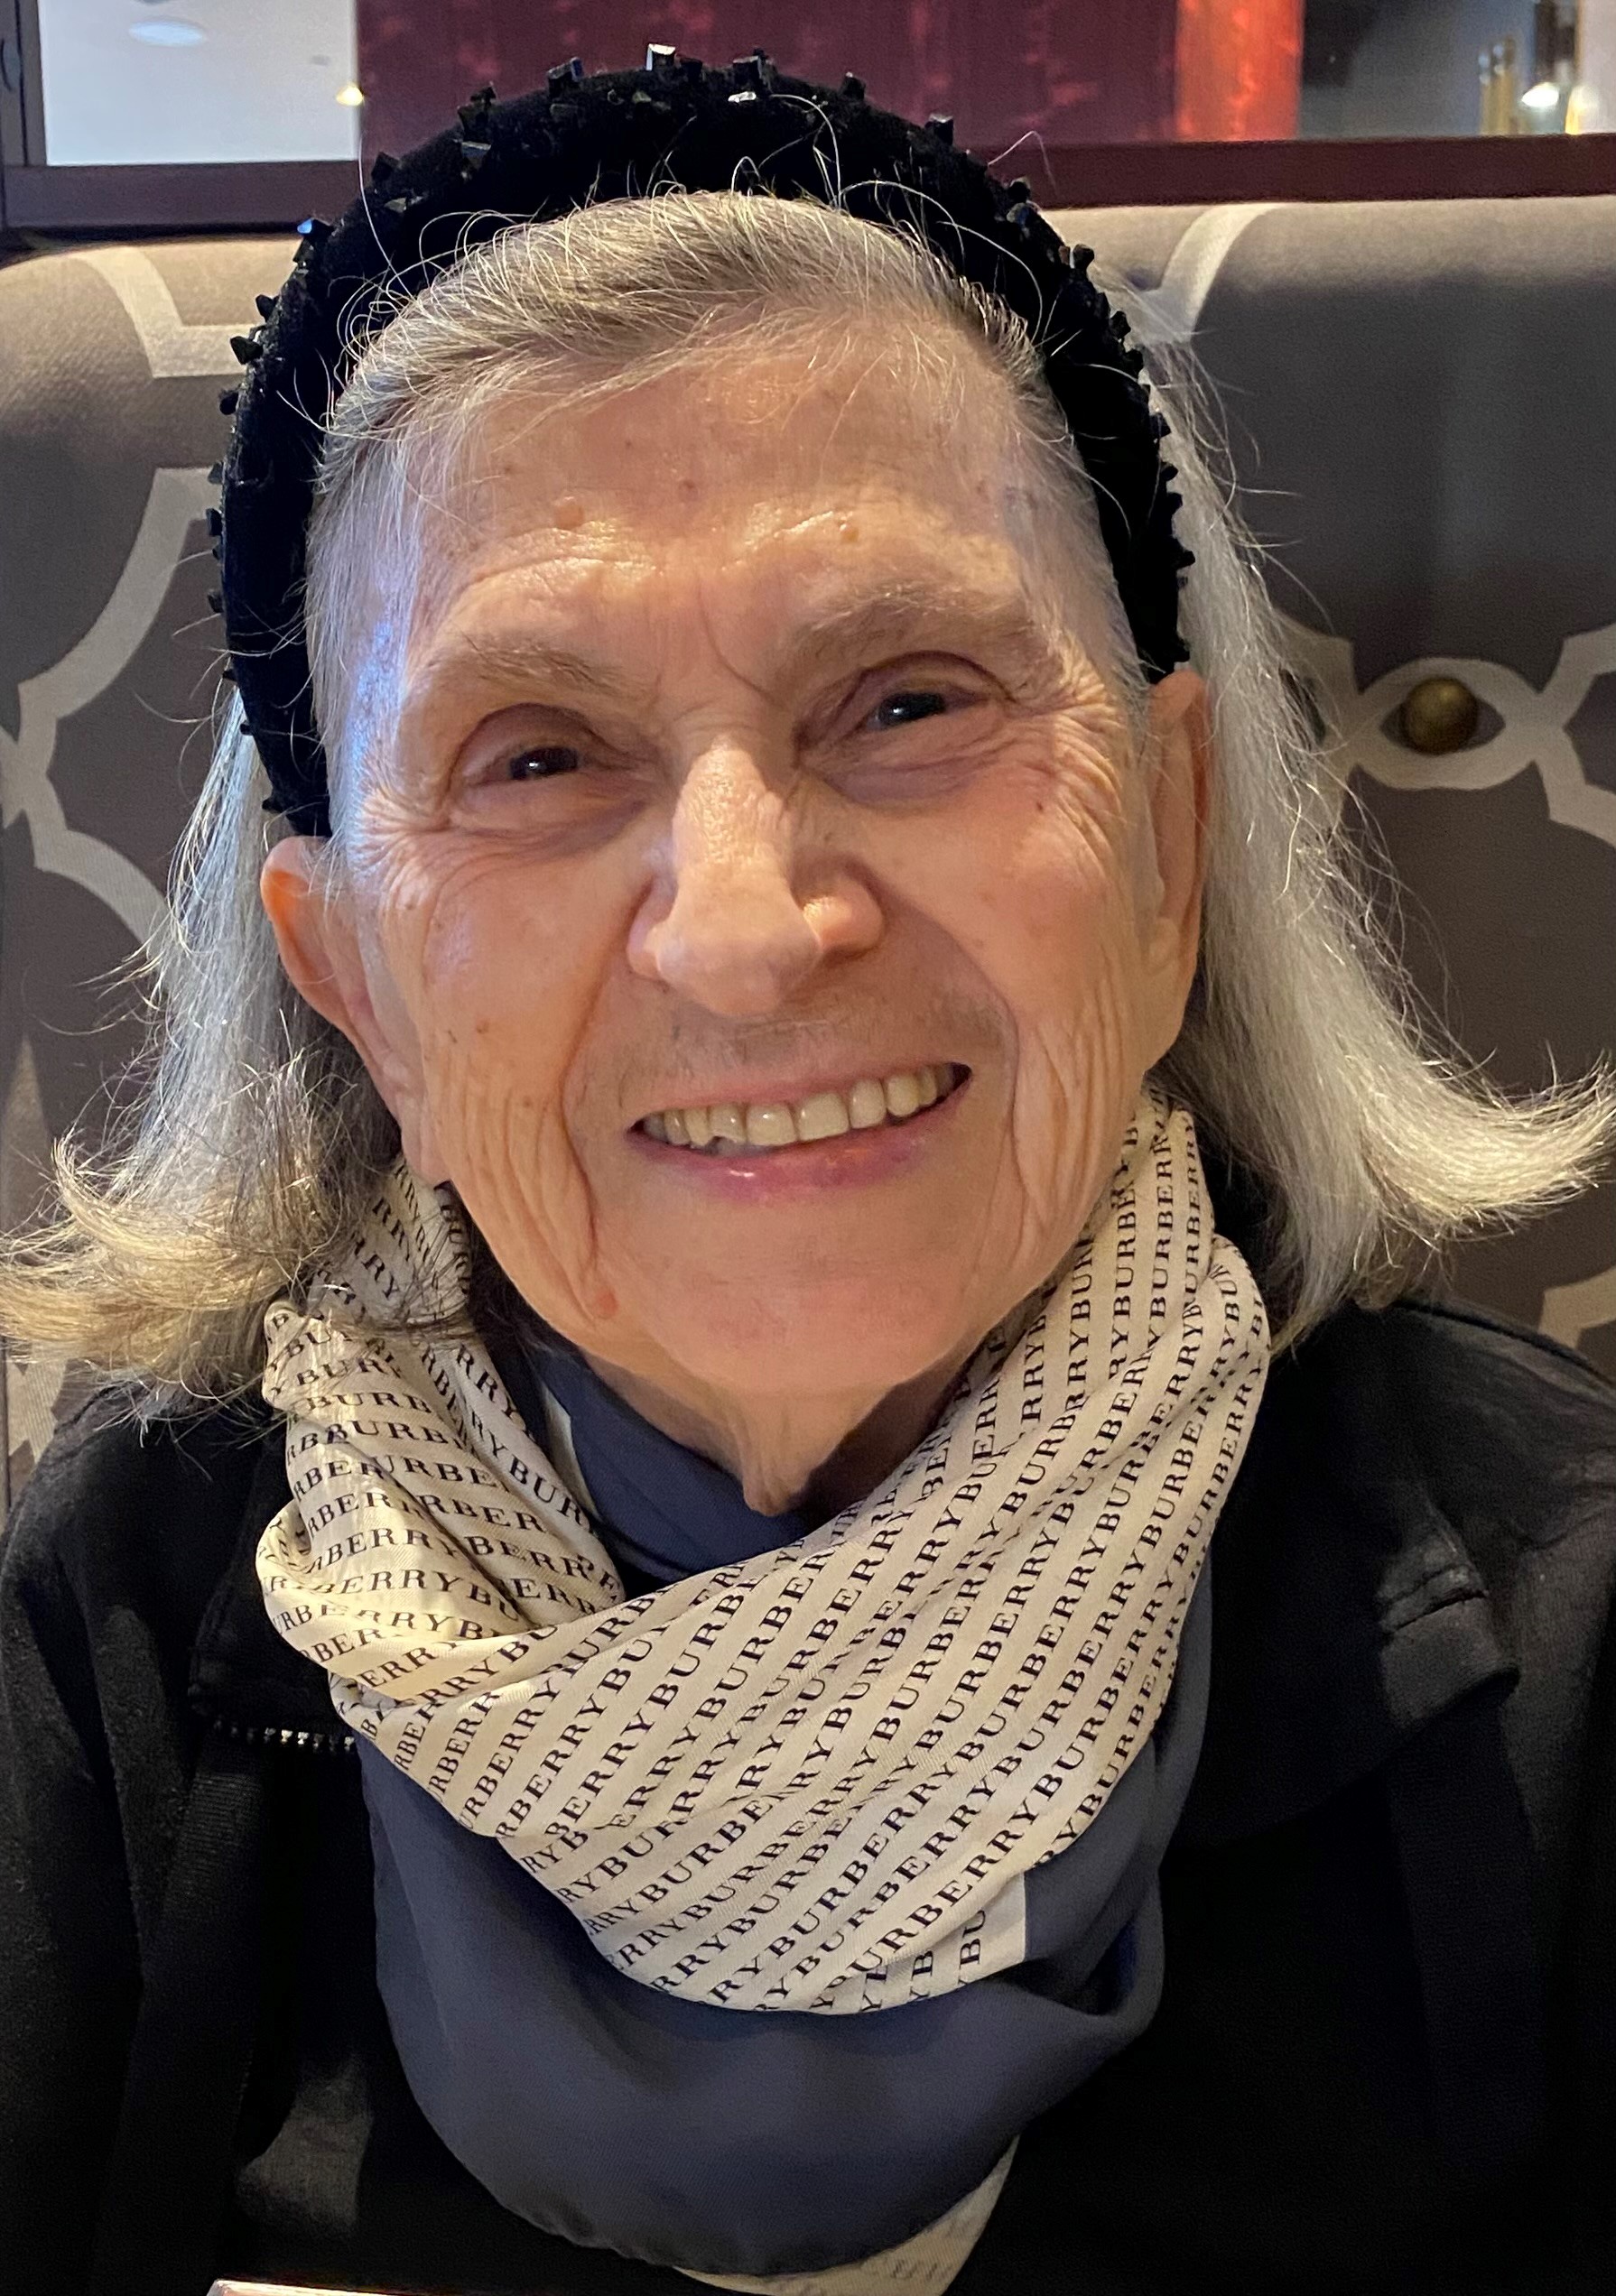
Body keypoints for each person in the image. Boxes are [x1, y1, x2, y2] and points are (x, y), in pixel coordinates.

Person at [1, 53, 1613, 2296]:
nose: (749, 933)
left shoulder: (1566, 1623)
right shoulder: (120, 1607)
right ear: (353, 981)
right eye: (536, 755)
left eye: (910, 700)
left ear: (1165, 847)